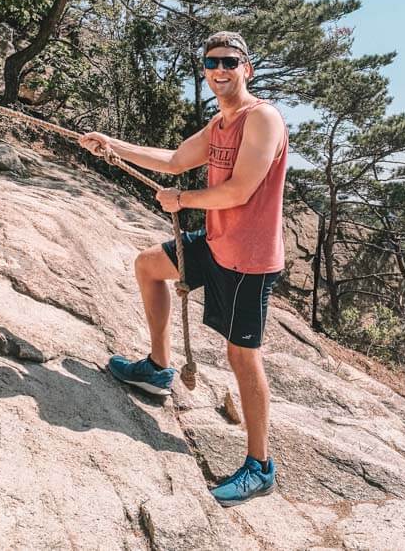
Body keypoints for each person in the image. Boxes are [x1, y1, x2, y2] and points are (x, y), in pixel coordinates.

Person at [79, 31, 287, 507]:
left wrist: (184, 201)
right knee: (150, 266)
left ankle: (260, 467)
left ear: (246, 69)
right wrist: (111, 144)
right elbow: (173, 160)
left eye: (229, 62)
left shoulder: (262, 119)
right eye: (212, 62)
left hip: (248, 260)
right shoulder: (218, 125)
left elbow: (240, 191)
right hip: (215, 244)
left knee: (241, 357)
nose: (219, 69)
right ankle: (158, 368)